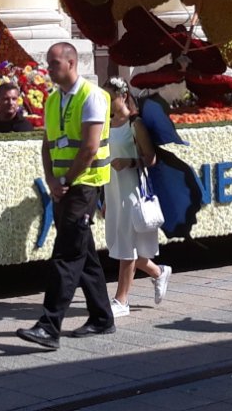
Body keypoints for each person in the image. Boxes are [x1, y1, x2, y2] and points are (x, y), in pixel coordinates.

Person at [16, 42, 114, 350]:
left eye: (54, 63)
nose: (49, 68)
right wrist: (51, 180)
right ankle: (102, 318)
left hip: (83, 185)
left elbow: (89, 148)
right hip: (64, 186)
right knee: (84, 256)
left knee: (67, 255)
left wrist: (65, 181)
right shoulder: (54, 100)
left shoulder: (92, 97)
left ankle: (49, 325)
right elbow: (47, 144)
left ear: (71, 63)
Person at [102, 78, 171, 318]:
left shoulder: (135, 124)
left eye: (109, 98)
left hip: (131, 190)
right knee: (122, 244)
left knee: (126, 247)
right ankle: (159, 273)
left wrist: (130, 162)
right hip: (112, 190)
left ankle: (121, 300)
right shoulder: (106, 124)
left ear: (122, 96)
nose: (106, 103)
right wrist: (103, 198)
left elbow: (151, 158)